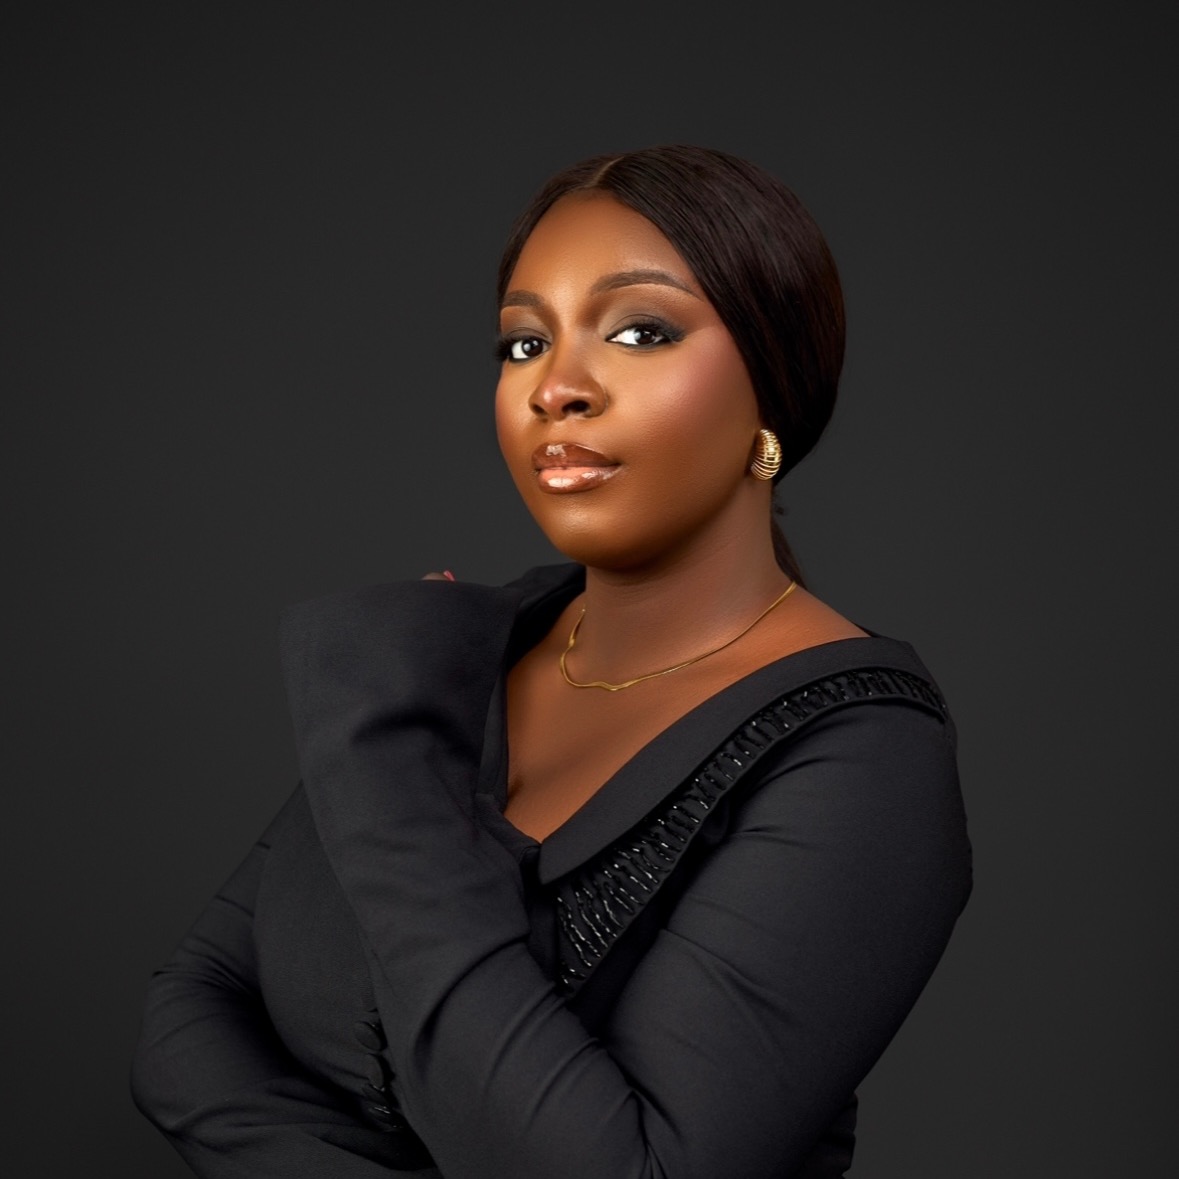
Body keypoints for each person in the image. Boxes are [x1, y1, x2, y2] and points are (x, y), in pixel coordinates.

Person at [131, 144, 972, 1178]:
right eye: (525, 343)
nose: (556, 388)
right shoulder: (477, 648)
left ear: (773, 386)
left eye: (640, 331)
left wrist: (389, 766)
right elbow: (192, 1014)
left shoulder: (863, 757)